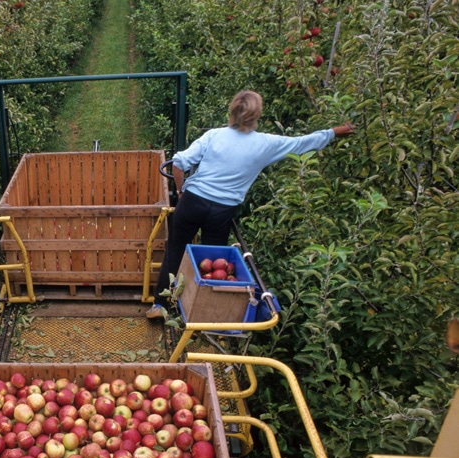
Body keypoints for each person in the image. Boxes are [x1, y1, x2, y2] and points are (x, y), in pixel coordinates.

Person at [147, 90, 356, 319]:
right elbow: (302, 143)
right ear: (257, 115)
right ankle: (198, 313)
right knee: (213, 263)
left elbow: (179, 162)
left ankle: (160, 305)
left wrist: (181, 190)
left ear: (232, 111)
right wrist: (334, 132)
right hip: (222, 211)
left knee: (175, 251)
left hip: (193, 202)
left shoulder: (214, 136)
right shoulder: (266, 144)